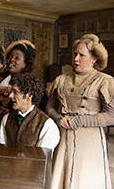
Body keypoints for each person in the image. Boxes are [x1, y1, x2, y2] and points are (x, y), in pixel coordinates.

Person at [46, 34, 114, 188]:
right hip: (63, 137)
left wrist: (80, 121)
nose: (76, 59)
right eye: (75, 54)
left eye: (82, 55)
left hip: (90, 141)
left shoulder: (105, 81)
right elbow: (49, 107)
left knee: (85, 180)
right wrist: (58, 118)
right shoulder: (61, 79)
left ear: (94, 58)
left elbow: (112, 116)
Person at [0, 40, 39, 142]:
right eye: (10, 57)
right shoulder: (0, 79)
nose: (11, 60)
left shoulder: (32, 83)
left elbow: (37, 109)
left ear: (25, 63)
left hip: (21, 130)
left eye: (17, 58)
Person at [0, 73, 59, 151]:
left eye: (15, 92)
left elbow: (41, 158)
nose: (10, 96)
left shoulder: (47, 125)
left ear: (29, 95)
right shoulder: (6, 119)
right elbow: (1, 150)